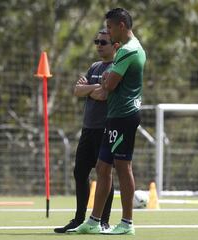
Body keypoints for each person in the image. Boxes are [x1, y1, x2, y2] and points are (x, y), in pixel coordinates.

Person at [67, 8, 146, 235]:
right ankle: (94, 221)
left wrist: (101, 82)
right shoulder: (127, 50)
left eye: (109, 28)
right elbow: (103, 86)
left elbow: (108, 87)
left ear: (121, 25)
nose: (108, 34)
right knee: (103, 168)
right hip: (114, 116)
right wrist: (102, 82)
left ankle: (127, 223)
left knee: (123, 167)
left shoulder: (128, 51)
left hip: (124, 116)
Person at [54, 29, 119, 233]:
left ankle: (103, 221)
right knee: (80, 172)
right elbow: (78, 90)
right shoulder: (95, 67)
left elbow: (106, 95)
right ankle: (79, 219)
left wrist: (89, 89)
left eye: (103, 42)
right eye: (96, 41)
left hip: (106, 129)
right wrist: (93, 88)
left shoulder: (118, 67)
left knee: (104, 173)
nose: (99, 45)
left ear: (115, 45)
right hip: (88, 129)